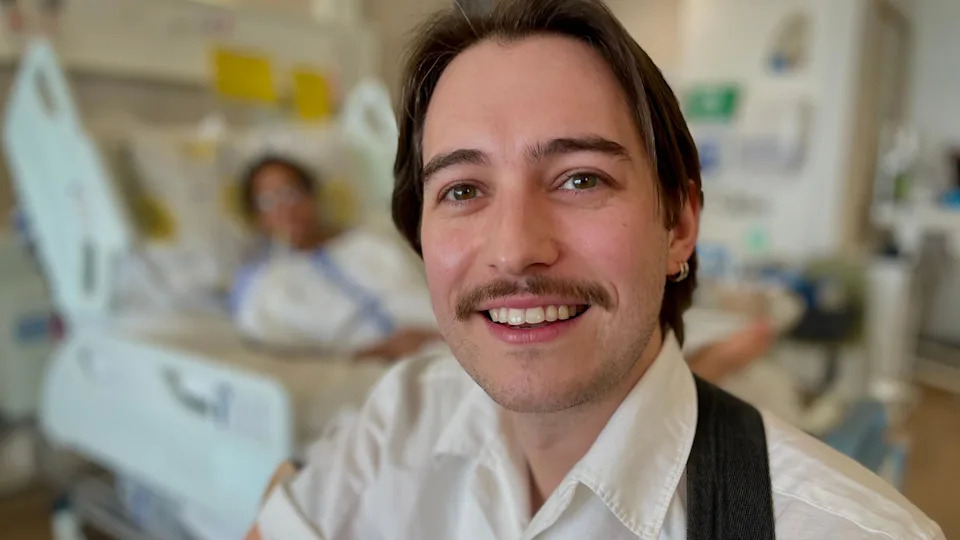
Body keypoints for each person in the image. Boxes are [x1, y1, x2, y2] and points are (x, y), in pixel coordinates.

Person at [247, 1, 943, 538]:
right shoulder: (400, 417)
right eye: (462, 190)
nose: (516, 248)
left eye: (580, 179)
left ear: (680, 224)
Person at [231, 155, 439, 359]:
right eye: (267, 201)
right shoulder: (266, 286)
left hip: (441, 344)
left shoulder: (370, 245)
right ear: (257, 218)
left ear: (311, 195)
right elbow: (293, 348)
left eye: (291, 192)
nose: (285, 207)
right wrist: (378, 350)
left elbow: (426, 296)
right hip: (367, 369)